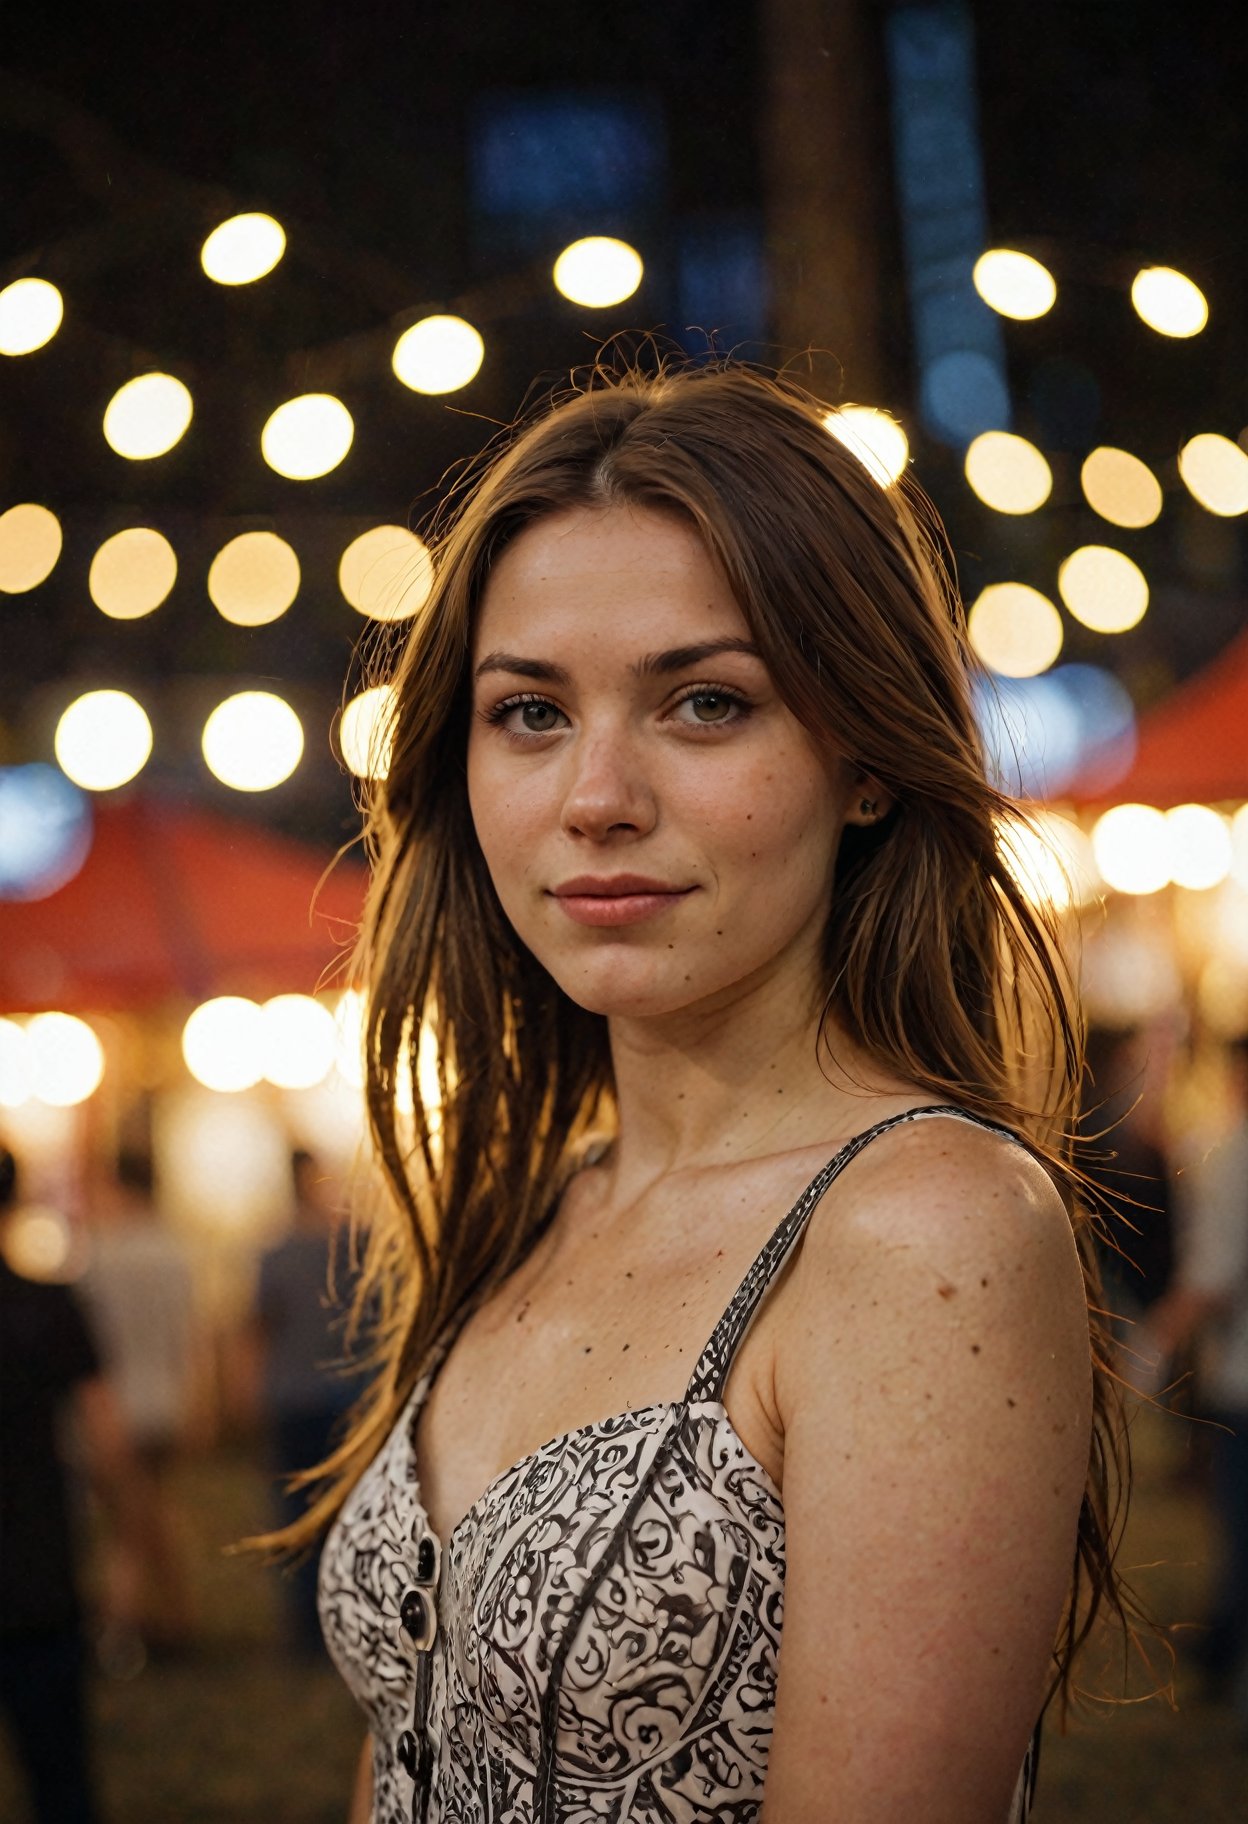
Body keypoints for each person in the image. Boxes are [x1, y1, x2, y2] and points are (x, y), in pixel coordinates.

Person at [264, 360, 1136, 1823]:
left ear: (863, 759)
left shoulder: (926, 1229)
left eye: (706, 703)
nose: (597, 795)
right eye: (529, 714)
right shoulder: (536, 1202)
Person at [0, 1144, 155, 1824]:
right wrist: (132, 1543)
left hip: (37, 1576)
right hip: (36, 1570)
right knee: (60, 1779)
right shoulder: (45, 1305)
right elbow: (106, 1437)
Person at [1150, 1033, 1248, 1716]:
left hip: (1244, 1377)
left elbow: (1214, 1274)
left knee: (1241, 1527)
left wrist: (1151, 1341)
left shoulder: (1238, 1152)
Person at [79, 1148, 201, 1660]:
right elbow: (188, 1334)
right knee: (152, 1510)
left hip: (114, 1405)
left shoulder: (98, 1256)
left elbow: (86, 1345)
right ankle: (174, 1620)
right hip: (165, 1398)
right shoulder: (173, 1251)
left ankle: (123, 1628)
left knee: (128, 1526)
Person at [249, 1149, 362, 1654]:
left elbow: (257, 1329)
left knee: (296, 1512)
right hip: (349, 1395)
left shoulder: (275, 1254)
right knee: (347, 1510)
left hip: (293, 1398)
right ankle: (348, 1617)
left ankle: (305, 1627)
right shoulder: (359, 1243)